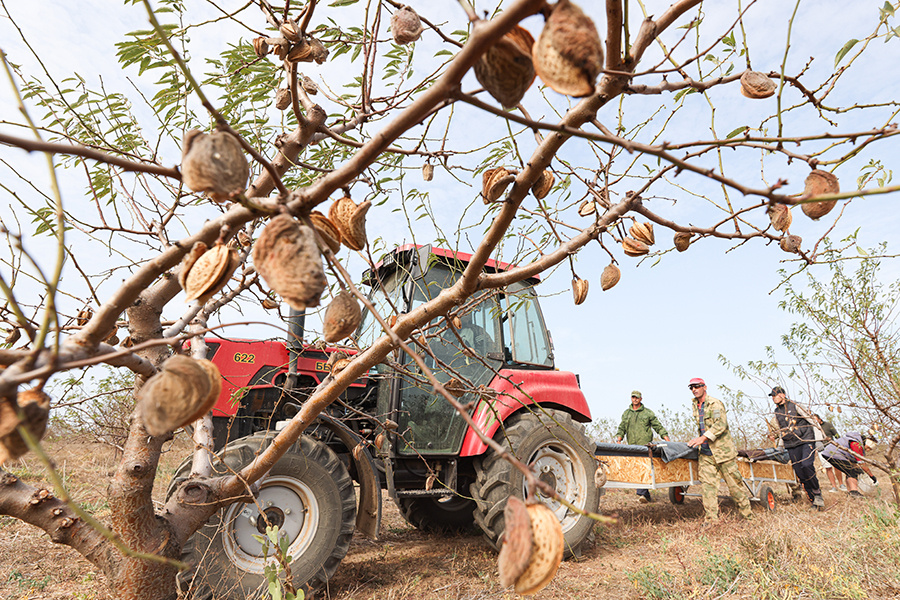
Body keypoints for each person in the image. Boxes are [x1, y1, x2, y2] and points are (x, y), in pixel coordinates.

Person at [686, 378, 753, 522]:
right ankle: (711, 520)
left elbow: (720, 425)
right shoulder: (695, 405)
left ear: (705, 387)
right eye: (691, 387)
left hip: (723, 453)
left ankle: (747, 517)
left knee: (735, 486)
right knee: (708, 488)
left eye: (697, 386)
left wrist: (702, 438)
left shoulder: (715, 404)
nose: (694, 389)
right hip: (706, 454)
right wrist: (700, 441)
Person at [766, 386, 824, 508]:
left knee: (806, 465)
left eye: (775, 395)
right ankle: (813, 500)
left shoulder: (795, 405)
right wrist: (780, 446)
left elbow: (812, 420)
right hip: (791, 444)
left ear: (783, 395)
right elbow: (782, 430)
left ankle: (817, 493)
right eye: (772, 396)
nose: (773, 398)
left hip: (806, 440)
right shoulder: (777, 412)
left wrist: (818, 440)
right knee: (799, 472)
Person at [615, 390, 671, 502]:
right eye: (633, 397)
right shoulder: (626, 413)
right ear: (631, 398)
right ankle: (645, 495)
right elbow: (622, 428)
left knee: (643, 468)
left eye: (637, 397)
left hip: (645, 446)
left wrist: (666, 438)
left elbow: (657, 426)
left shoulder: (647, 413)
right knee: (636, 469)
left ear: (641, 399)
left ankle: (642, 494)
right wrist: (619, 440)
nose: (635, 399)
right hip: (632, 446)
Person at [821, 430, 879, 497]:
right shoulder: (856, 444)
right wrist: (872, 476)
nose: (868, 450)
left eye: (870, 449)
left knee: (850, 470)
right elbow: (862, 464)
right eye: (868, 448)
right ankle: (854, 492)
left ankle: (850, 491)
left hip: (829, 453)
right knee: (852, 470)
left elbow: (855, 462)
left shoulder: (853, 440)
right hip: (834, 454)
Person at [814, 413, 845, 492]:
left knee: (837, 466)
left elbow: (837, 435)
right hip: (821, 450)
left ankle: (841, 484)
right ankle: (834, 486)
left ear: (820, 419)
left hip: (832, 448)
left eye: (815, 420)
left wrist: (839, 445)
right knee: (828, 468)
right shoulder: (813, 428)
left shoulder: (828, 425)